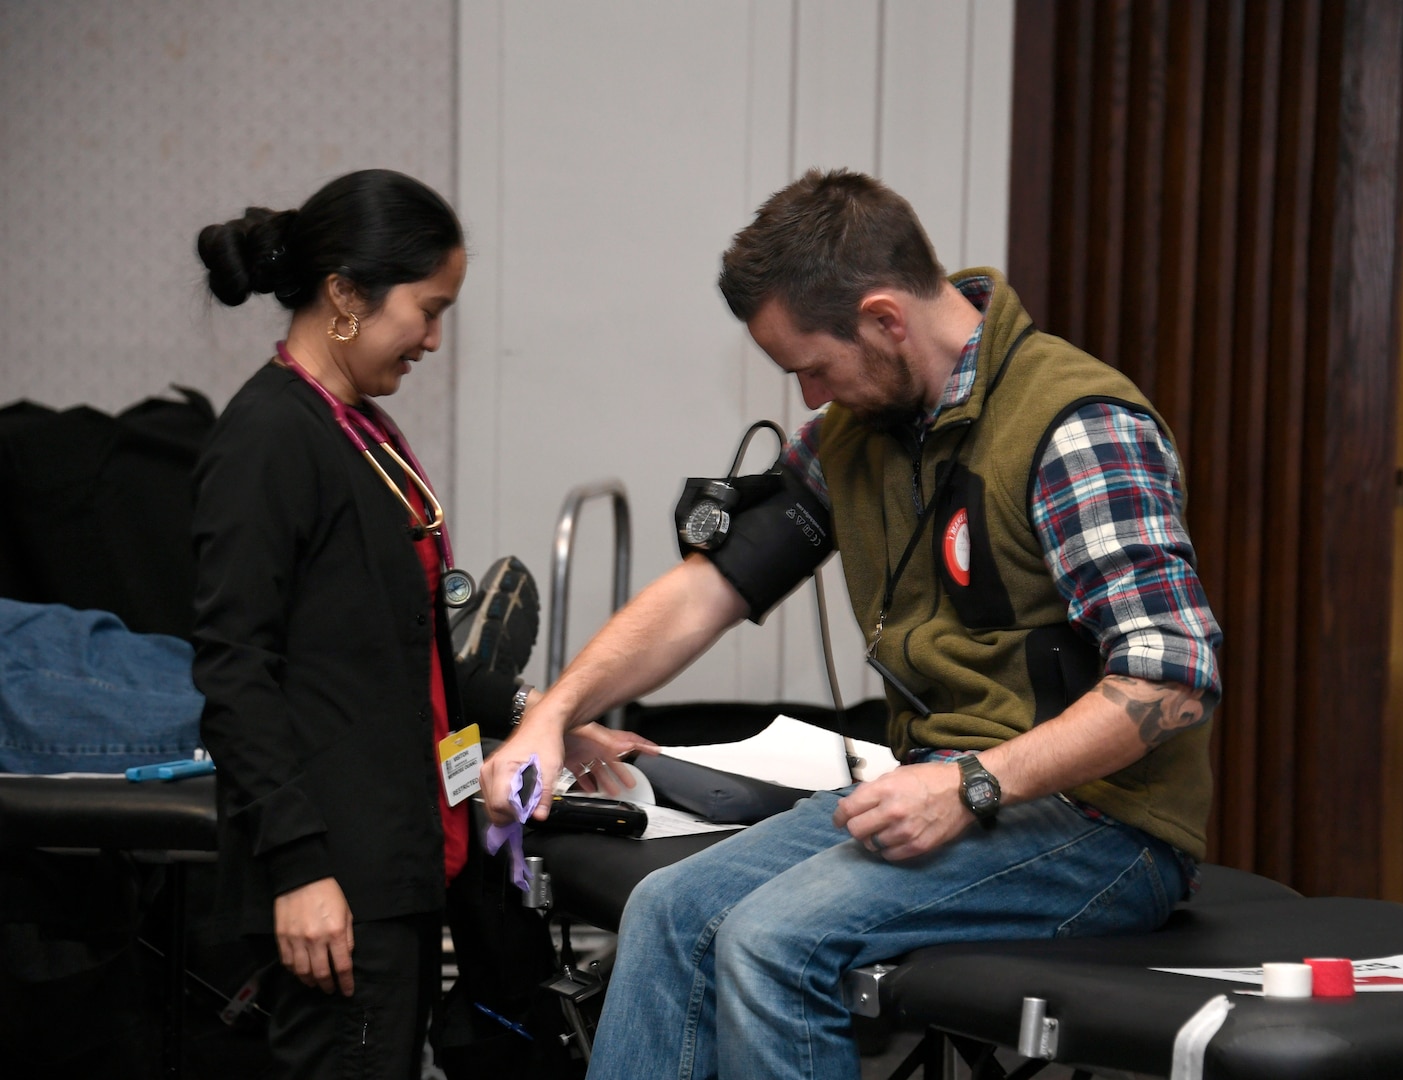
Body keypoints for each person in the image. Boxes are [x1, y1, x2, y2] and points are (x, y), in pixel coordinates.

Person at [480, 168, 1222, 1080]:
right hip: (946, 786)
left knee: (769, 941)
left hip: (1102, 822)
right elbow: (707, 590)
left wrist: (970, 787)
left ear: (883, 319)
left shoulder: (1075, 427)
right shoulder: (859, 429)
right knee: (669, 911)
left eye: (811, 369)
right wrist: (552, 713)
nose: (808, 399)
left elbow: (1172, 677)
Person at [191, 169, 648, 1078]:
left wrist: (545, 717)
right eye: (428, 310)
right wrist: (298, 869)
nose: (436, 340)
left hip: (398, 855)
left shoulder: (361, 430)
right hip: (336, 879)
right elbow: (235, 672)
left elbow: (410, 653)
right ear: (347, 295)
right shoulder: (267, 440)